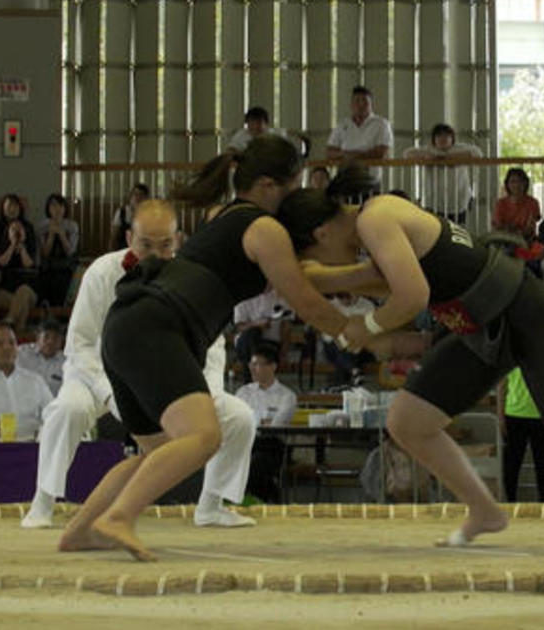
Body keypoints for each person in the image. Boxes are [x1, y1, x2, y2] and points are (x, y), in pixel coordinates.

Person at [277, 165, 544, 550]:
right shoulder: (375, 224)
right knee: (407, 421)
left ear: (321, 233)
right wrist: (325, 277)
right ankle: (484, 510)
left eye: (315, 255)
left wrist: (364, 326)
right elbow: (391, 280)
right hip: (481, 330)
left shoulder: (375, 218)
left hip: (528, 316)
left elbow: (412, 295)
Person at [59, 136, 356, 561]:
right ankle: (119, 517)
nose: (296, 198)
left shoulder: (227, 217)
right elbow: (305, 299)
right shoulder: (264, 227)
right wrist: (359, 332)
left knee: (156, 451)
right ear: (270, 185)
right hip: (158, 326)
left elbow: (305, 279)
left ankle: (80, 529)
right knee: (203, 436)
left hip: (128, 325)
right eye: (294, 187)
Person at [24, 200, 260, 531]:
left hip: (168, 378)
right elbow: (80, 345)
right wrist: (109, 395)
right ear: (129, 237)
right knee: (68, 409)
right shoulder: (101, 273)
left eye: (165, 244)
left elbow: (214, 344)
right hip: (98, 378)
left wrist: (201, 396)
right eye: (146, 244)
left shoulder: (193, 278)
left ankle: (211, 505)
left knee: (240, 417)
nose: (155, 253)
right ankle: (43, 501)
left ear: (179, 239)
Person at [402, 123, 482, 225]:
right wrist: (429, 158)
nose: (443, 138)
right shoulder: (428, 150)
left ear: (452, 138)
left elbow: (478, 153)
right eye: (439, 135)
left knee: (457, 232)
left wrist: (452, 158)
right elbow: (407, 154)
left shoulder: (461, 148)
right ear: (433, 139)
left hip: (459, 200)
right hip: (432, 201)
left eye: (446, 136)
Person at [497, 368, 544, 502]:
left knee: (543, 463)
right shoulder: (509, 357)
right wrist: (500, 417)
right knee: (512, 463)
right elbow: (501, 386)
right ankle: (510, 502)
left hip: (542, 417)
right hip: (514, 415)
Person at [0, 196, 39, 334]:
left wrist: (22, 246)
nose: (12, 209)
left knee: (24, 292)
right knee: (22, 306)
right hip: (5, 287)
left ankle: (9, 320)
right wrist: (12, 244)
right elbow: (0, 262)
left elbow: (29, 264)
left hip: (27, 285)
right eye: (9, 206)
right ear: (3, 208)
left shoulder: (28, 228)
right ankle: (19, 333)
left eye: (15, 206)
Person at [234, 343, 297, 427]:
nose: (252, 369)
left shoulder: (287, 396)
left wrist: (252, 420)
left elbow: (276, 426)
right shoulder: (243, 392)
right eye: (251, 364)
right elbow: (236, 422)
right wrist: (262, 421)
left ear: (273, 367)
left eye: (256, 364)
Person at [326, 85, 393, 161]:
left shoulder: (381, 124)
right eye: (357, 101)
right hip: (345, 171)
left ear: (371, 104)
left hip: (371, 172)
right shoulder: (342, 125)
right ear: (351, 104)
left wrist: (350, 155)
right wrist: (349, 155)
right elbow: (329, 152)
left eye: (365, 101)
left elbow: (382, 152)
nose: (361, 105)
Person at [37, 194, 80, 306]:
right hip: (47, 267)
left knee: (61, 282)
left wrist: (61, 233)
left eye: (61, 205)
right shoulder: (42, 226)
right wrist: (51, 234)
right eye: (53, 205)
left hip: (66, 267)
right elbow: (44, 253)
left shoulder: (72, 226)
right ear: (48, 208)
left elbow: (70, 251)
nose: (57, 209)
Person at [16, 320, 66, 396]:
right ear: (38, 337)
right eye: (46, 336)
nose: (50, 341)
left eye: (55, 338)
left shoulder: (67, 362)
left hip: (53, 405)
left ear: (61, 341)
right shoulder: (21, 353)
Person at [491, 168, 539, 241]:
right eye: (513, 181)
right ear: (507, 184)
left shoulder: (533, 203)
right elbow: (498, 227)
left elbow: (530, 229)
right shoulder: (500, 204)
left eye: (520, 181)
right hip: (504, 240)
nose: (517, 185)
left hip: (526, 240)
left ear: (525, 183)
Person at [109, 183, 149, 251]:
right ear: (130, 197)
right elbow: (114, 235)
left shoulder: (149, 214)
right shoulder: (122, 212)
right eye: (135, 194)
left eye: (141, 195)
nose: (137, 198)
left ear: (146, 198)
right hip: (123, 251)